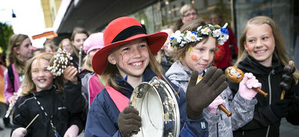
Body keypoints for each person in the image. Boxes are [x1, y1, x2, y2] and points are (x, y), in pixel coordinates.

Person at [84, 16, 228, 137]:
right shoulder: (102, 103)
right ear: (112, 58)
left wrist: (194, 115)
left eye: (142, 46)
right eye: (126, 49)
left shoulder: (171, 89)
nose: (137, 54)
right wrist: (120, 135)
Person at [166, 19, 260, 137]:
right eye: (201, 49)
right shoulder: (173, 87)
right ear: (182, 49)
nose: (207, 57)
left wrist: (244, 99)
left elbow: (232, 123)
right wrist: (208, 113)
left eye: (211, 50)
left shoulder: (214, 77)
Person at [229, 16, 299, 137]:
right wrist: (270, 113)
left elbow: (295, 119)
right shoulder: (239, 76)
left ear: (275, 41)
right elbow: (230, 121)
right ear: (246, 46)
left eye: (264, 38)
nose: (258, 44)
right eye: (252, 40)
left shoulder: (285, 74)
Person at [11, 53, 85, 137]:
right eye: (35, 71)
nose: (41, 74)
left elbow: (77, 115)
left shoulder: (63, 95)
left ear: (54, 74)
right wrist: (16, 132)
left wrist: (74, 127)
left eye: (46, 70)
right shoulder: (24, 102)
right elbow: (17, 124)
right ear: (30, 75)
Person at [4, 34, 34, 105]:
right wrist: (10, 98)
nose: (31, 48)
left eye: (31, 44)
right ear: (17, 50)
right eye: (27, 46)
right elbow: (8, 91)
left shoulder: (37, 64)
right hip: (23, 108)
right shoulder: (10, 70)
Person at [80, 32, 105, 106]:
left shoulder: (118, 73)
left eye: (101, 49)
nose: (97, 52)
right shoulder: (84, 78)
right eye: (94, 49)